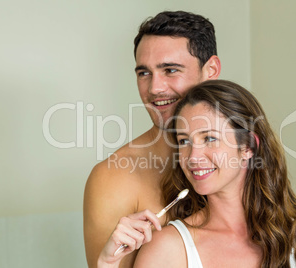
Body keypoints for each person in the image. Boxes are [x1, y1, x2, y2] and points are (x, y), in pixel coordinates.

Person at [106, 80, 296, 267]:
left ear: (248, 147)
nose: (193, 156)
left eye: (209, 138)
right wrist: (107, 264)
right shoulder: (167, 248)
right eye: (184, 141)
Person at [83, 11, 221, 268]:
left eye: (170, 70)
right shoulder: (114, 177)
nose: (154, 88)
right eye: (144, 73)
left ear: (210, 69)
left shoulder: (246, 158)